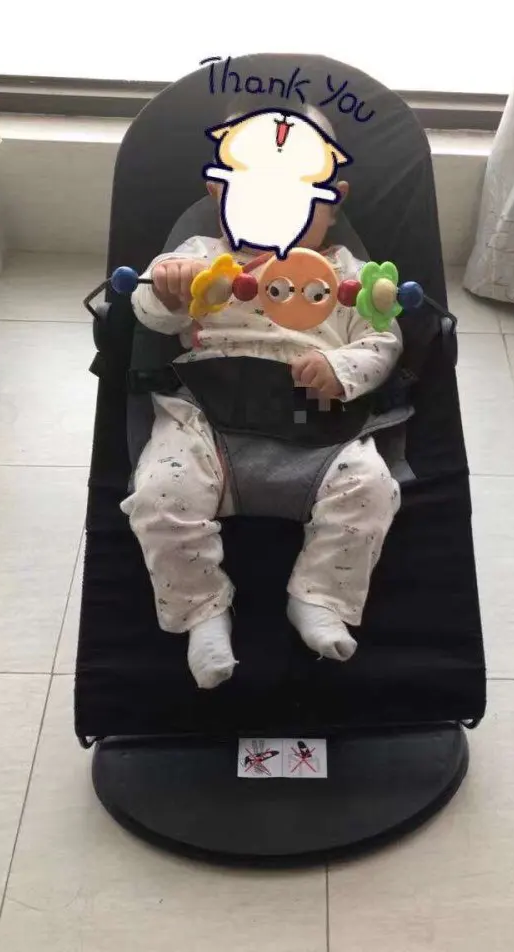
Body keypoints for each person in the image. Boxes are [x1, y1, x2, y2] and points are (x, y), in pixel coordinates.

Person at [120, 104, 402, 689]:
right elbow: (148, 314)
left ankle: (320, 596)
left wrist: (340, 367)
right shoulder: (199, 258)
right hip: (208, 416)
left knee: (371, 488)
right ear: (218, 191)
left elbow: (384, 339)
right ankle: (202, 612)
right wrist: (167, 293)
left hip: (317, 419)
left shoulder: (349, 273)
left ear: (334, 198)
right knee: (158, 495)